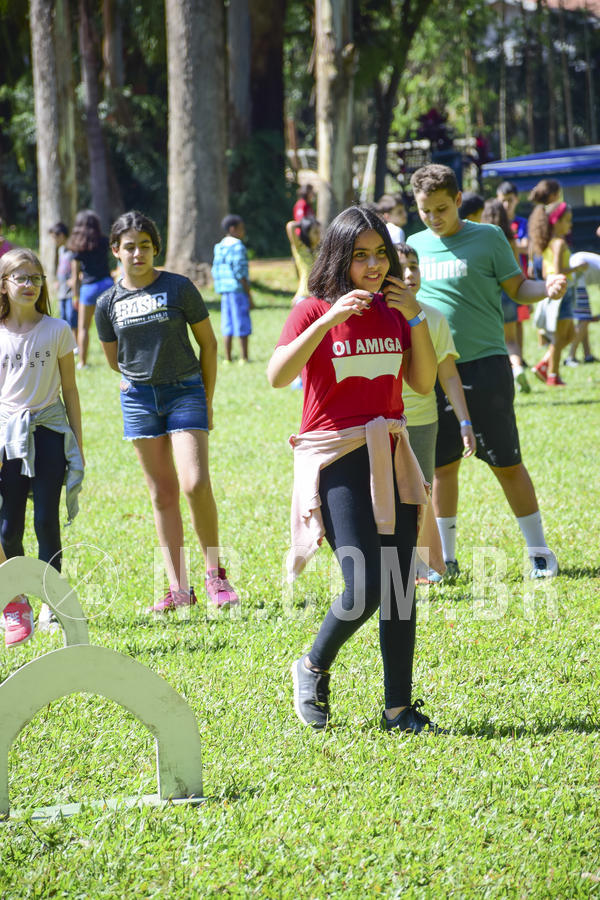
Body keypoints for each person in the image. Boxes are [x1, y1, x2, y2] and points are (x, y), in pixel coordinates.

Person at [268, 204, 445, 735]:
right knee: (365, 581)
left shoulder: (396, 312)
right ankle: (312, 665)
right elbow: (278, 375)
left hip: (390, 450)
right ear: (340, 257)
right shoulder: (312, 308)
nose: (372, 266)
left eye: (380, 255)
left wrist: (414, 316)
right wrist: (327, 320)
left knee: (399, 585)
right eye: (360, 256)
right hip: (337, 456)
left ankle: (398, 710)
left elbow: (420, 381)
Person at [408, 163, 567, 579]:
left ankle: (538, 552)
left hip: (487, 366)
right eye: (425, 210)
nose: (434, 218)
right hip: (435, 370)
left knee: (507, 462)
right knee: (442, 468)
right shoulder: (412, 246)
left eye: (442, 208)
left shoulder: (489, 237)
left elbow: (518, 289)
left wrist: (545, 289)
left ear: (459, 200)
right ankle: (448, 559)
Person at [95, 210, 239, 613]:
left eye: (145, 245)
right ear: (116, 251)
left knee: (194, 484)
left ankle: (215, 577)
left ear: (155, 248)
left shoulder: (178, 288)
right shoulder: (107, 303)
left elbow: (208, 345)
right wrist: (135, 378)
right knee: (162, 494)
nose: (137, 253)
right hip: (139, 401)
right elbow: (113, 358)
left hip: (186, 393)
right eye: (129, 246)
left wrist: (206, 399)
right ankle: (179, 589)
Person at [0, 248, 84, 647]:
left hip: (49, 435)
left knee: (46, 522)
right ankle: (17, 602)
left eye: (36, 278)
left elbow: (69, 389)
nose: (30, 284)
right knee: (7, 526)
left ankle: (53, 604)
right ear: (4, 284)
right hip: (7, 440)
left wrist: (77, 445)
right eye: (21, 277)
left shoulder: (57, 330)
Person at [398, 242, 476, 583]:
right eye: (400, 267)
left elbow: (448, 375)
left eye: (413, 266)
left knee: (421, 494)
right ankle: (392, 566)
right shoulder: (373, 318)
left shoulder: (435, 317)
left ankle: (421, 565)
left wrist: (465, 421)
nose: (409, 274)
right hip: (381, 423)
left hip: (423, 421)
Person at [529, 201, 586, 386]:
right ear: (556, 221)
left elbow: (546, 272)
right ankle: (553, 375)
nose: (570, 225)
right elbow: (557, 268)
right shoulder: (559, 242)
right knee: (561, 336)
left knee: (568, 335)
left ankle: (545, 364)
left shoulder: (548, 242)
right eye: (567, 220)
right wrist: (578, 267)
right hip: (562, 292)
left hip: (560, 291)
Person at [480, 199, 530, 393]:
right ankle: (517, 368)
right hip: (508, 293)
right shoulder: (510, 239)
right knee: (510, 340)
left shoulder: (481, 239)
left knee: (491, 341)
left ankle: (498, 378)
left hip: (488, 295)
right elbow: (517, 271)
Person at [67, 209, 113, 369]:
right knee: (113, 325)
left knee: (84, 328)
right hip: (108, 284)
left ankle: (83, 362)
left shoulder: (77, 246)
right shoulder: (104, 241)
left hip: (89, 288)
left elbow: (74, 276)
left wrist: (75, 297)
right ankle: (118, 360)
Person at [211, 214, 253, 364]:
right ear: (233, 229)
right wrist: (249, 294)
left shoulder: (219, 246)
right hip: (238, 290)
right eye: (242, 229)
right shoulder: (238, 246)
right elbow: (240, 271)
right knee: (242, 322)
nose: (243, 232)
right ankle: (244, 357)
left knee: (227, 323)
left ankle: (228, 358)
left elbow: (215, 270)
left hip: (224, 290)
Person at [49, 222, 77, 345]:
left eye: (55, 237)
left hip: (71, 291)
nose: (54, 240)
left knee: (72, 318)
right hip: (61, 290)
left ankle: (76, 344)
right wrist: (56, 281)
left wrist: (75, 278)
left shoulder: (72, 250)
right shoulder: (60, 250)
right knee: (63, 318)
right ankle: (67, 343)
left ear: (61, 235)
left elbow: (78, 267)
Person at [285, 216, 321, 305]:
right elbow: (290, 226)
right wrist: (303, 224)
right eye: (315, 232)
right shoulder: (300, 248)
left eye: (319, 232)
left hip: (317, 295)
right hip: (304, 296)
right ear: (306, 233)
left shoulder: (319, 250)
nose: (318, 236)